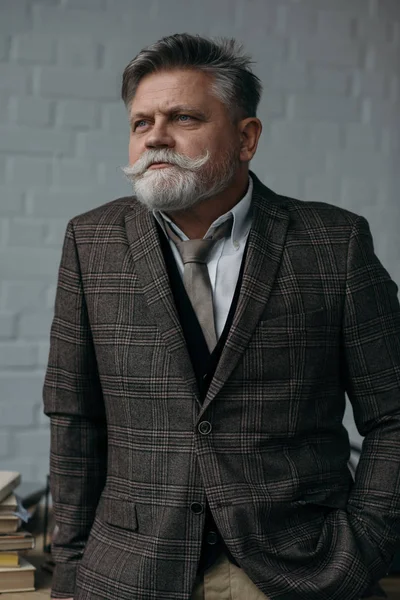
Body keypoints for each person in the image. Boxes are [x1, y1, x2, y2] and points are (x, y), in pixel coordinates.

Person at [43, 33, 400, 600]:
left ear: (247, 137)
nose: (156, 136)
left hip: (301, 572)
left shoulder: (335, 244)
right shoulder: (91, 242)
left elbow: (393, 416)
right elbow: (74, 419)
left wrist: (368, 543)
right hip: (132, 574)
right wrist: (71, 574)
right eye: (141, 123)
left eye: (183, 117)